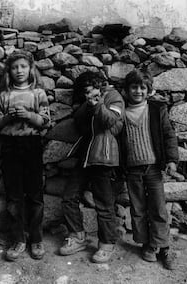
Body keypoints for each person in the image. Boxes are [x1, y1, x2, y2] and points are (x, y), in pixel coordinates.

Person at [59, 71, 124, 263]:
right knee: (69, 196)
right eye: (85, 90)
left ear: (101, 83)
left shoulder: (114, 97)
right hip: (87, 154)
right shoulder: (88, 101)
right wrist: (89, 104)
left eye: (92, 87)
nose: (90, 92)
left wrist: (98, 104)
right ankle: (77, 236)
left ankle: (107, 244)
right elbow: (79, 122)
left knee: (104, 204)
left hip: (104, 156)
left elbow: (110, 122)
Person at [0, 50, 50, 261]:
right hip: (9, 146)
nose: (19, 71)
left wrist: (28, 116)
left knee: (35, 195)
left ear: (30, 69)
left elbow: (45, 121)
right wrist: (8, 117)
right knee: (13, 196)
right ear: (9, 70)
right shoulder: (4, 95)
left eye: (23, 67)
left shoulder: (38, 94)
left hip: (32, 145)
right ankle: (18, 239)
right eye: (15, 67)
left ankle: (36, 239)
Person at [120, 69, 179, 270]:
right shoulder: (121, 112)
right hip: (132, 170)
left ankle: (164, 246)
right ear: (127, 90)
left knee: (159, 209)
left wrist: (172, 160)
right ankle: (147, 244)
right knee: (138, 209)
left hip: (153, 168)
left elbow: (169, 135)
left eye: (142, 87)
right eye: (134, 87)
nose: (138, 91)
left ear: (149, 90)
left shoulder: (155, 109)